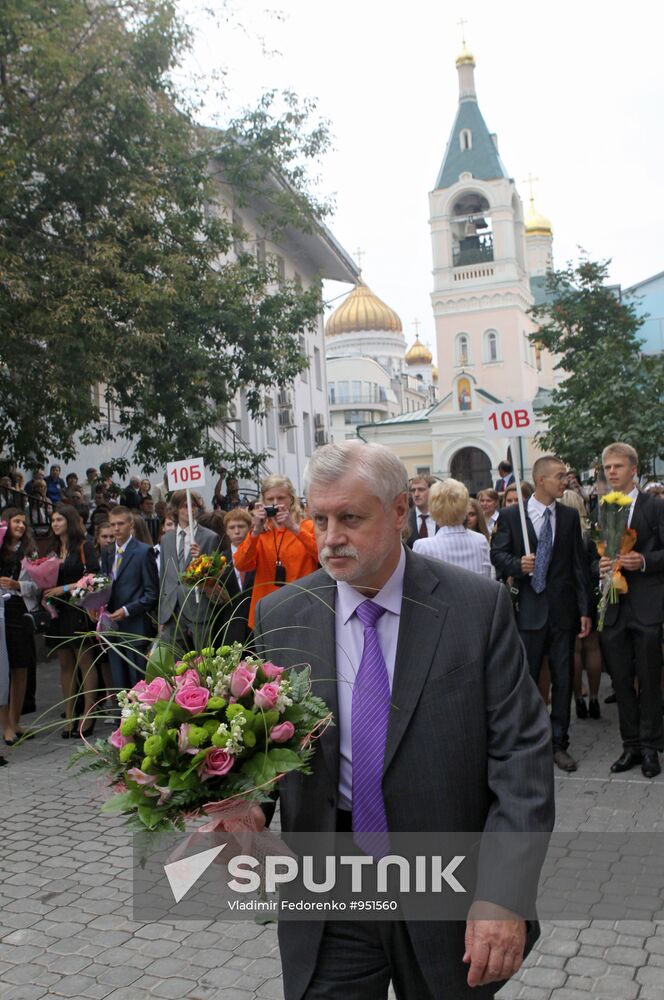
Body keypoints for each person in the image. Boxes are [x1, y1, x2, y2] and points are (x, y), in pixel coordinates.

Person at [251, 441, 554, 1000]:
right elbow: (267, 745)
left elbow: (522, 759)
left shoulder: (474, 607)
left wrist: (504, 892)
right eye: (319, 518)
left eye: (350, 517)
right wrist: (242, 804)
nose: (331, 536)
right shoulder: (282, 616)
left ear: (397, 513)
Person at [491, 456, 593, 772]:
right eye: (560, 476)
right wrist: (516, 565)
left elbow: (577, 564)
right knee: (527, 680)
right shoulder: (511, 516)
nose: (566, 481)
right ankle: (525, 741)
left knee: (563, 679)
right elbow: (497, 555)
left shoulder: (568, 516)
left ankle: (559, 743)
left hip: (563, 613)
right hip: (528, 613)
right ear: (541, 480)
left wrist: (584, 609)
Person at [598, 442, 664, 778]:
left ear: (633, 469)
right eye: (607, 467)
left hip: (647, 606)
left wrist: (644, 562)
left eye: (618, 466)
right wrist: (600, 565)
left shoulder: (654, 506)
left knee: (650, 680)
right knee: (621, 681)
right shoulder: (603, 507)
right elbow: (593, 552)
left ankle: (652, 748)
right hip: (613, 608)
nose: (611, 472)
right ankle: (631, 746)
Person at [43, 504, 100, 738]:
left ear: (69, 520)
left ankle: (88, 714)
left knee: (85, 661)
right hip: (59, 612)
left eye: (59, 519)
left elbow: (95, 576)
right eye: (53, 520)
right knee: (65, 664)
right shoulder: (54, 548)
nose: (55, 523)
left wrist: (63, 588)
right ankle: (70, 715)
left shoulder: (84, 545)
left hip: (78, 608)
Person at [233, 474, 319, 630]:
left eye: (281, 498)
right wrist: (256, 530)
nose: (275, 503)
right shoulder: (259, 533)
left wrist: (293, 528)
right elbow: (240, 564)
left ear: (291, 499)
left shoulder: (306, 527)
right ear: (263, 502)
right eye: (270, 499)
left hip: (302, 611)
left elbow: (322, 556)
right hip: (267, 612)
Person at [98, 506, 159, 691]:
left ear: (131, 524)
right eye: (113, 524)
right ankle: (120, 720)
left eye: (121, 524)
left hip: (135, 628)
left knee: (137, 683)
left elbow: (152, 594)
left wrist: (127, 610)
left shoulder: (143, 552)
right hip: (113, 629)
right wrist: (96, 604)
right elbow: (105, 585)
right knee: (119, 685)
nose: (116, 528)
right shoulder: (107, 552)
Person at [158, 490, 223, 651]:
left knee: (205, 659)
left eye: (193, 506)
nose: (189, 510)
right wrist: (161, 615)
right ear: (176, 509)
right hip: (172, 609)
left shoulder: (209, 537)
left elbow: (215, 575)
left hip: (198, 606)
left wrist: (201, 557)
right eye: (184, 506)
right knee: (175, 663)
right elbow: (164, 577)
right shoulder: (166, 539)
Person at [559, 490, 602, 720]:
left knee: (575, 649)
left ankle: (578, 698)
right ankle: (594, 697)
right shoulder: (591, 532)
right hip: (591, 592)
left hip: (569, 593)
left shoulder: (562, 530)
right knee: (593, 647)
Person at [0, 509, 39, 745]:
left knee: (21, 667)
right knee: (3, 671)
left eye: (23, 522)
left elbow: (37, 585)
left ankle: (15, 721)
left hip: (20, 611)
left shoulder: (29, 551)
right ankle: (5, 725)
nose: (21, 526)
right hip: (1, 612)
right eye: (16, 521)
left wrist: (18, 584)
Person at [414, 479, 492, 577]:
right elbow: (488, 579)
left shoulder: (423, 546)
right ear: (465, 507)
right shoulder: (480, 541)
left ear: (433, 509)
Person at [405, 475, 438, 547]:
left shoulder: (442, 518)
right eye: (413, 490)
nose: (416, 494)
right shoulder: (405, 518)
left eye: (421, 489)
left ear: (432, 491)